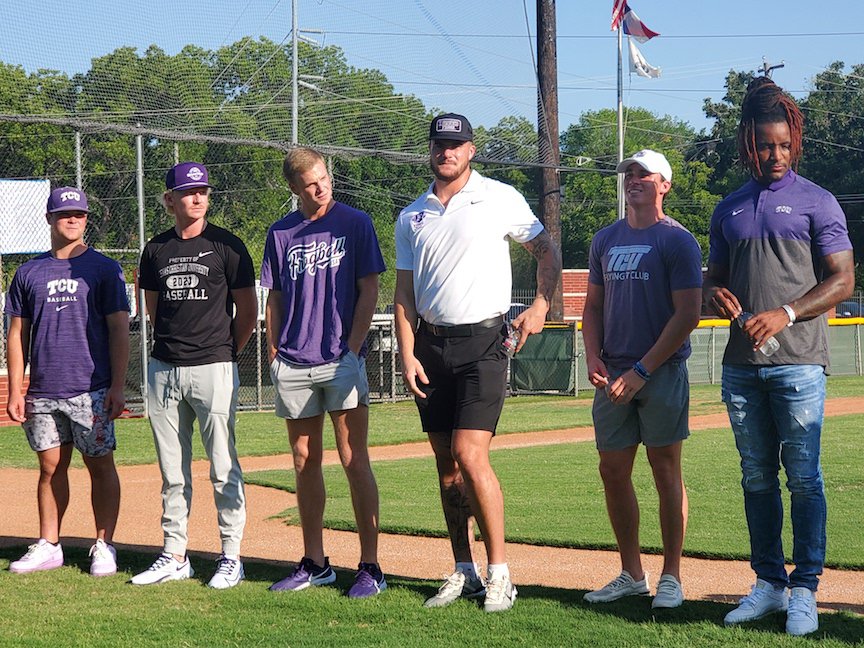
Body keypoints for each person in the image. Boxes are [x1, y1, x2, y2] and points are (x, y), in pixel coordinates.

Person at [394, 113, 562, 613]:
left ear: (471, 149)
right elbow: (404, 293)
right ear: (431, 150)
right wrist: (407, 353)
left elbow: (546, 252)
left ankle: (501, 574)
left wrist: (541, 306)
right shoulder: (412, 215)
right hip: (429, 347)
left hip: (485, 343)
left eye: (456, 144)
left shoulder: (499, 197)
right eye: (439, 144)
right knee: (446, 468)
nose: (447, 152)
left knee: (471, 455)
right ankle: (463, 569)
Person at [704, 77, 854, 636]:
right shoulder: (729, 208)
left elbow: (842, 281)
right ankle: (768, 583)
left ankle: (806, 589)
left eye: (785, 145)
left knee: (805, 478)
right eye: (766, 145)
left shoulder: (818, 200)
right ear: (749, 143)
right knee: (756, 477)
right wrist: (712, 292)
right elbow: (713, 280)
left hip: (799, 364)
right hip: (742, 368)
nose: (776, 154)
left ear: (796, 143)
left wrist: (787, 313)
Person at [261, 148, 387, 598]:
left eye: (324, 178)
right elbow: (273, 297)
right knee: (303, 461)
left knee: (354, 459)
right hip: (294, 362)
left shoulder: (355, 223)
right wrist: (275, 352)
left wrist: (353, 349)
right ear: (294, 188)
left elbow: (369, 287)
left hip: (340, 360)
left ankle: (371, 566)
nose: (321, 187)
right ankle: (315, 562)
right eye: (311, 183)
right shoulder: (280, 233)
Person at [580, 150, 702, 610]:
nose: (633, 179)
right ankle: (632, 573)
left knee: (665, 469)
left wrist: (641, 371)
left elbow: (688, 313)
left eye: (643, 174)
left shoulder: (678, 241)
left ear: (664, 185)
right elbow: (592, 306)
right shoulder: (605, 239)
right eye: (628, 173)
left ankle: (671, 575)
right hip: (612, 374)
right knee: (612, 471)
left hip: (660, 372)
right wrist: (593, 354)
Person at [132, 162, 257, 589]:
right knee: (173, 471)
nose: (197, 197)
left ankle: (231, 555)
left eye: (202, 189)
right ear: (169, 200)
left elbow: (248, 311)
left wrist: (225, 354)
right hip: (164, 368)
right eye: (187, 191)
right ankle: (175, 554)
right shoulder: (155, 250)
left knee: (223, 466)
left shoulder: (227, 245)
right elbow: (152, 308)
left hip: (214, 367)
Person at [5, 186, 129, 577]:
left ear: (86, 219)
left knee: (100, 465)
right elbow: (15, 334)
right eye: (63, 214)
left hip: (90, 389)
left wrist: (117, 385)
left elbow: (119, 330)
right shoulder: (29, 272)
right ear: (49, 219)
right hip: (43, 390)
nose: (72, 220)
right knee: (49, 467)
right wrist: (15, 387)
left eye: (78, 214)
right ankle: (49, 544)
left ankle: (104, 544)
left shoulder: (104, 269)